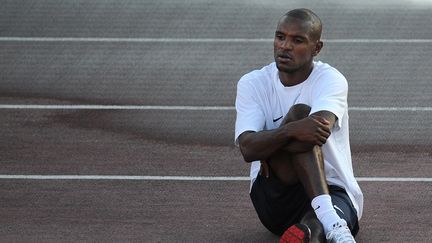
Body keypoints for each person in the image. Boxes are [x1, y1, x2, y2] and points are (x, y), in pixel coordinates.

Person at [234, 8, 363, 243]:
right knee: (300, 115)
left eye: (297, 40)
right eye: (280, 37)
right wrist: (290, 130)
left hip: (332, 188)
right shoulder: (253, 83)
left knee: (312, 232)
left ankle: (317, 227)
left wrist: (271, 145)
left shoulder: (331, 79)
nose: (285, 46)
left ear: (317, 48)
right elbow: (248, 149)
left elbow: (316, 131)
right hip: (274, 193)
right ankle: (333, 223)